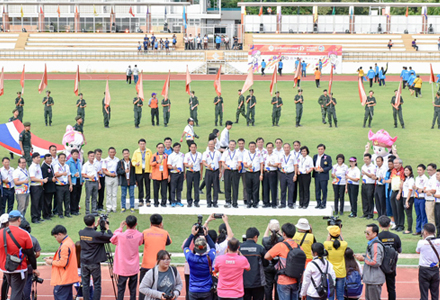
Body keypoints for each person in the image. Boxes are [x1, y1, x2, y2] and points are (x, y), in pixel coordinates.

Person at [0, 211, 38, 300]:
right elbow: (31, 254)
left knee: (17, 290)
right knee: (17, 292)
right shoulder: (25, 234)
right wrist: (34, 268)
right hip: (19, 268)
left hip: (5, 268)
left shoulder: (1, 232)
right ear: (19, 220)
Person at [78, 214, 113, 300]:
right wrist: (107, 228)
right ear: (94, 222)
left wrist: (96, 226)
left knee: (85, 284)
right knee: (97, 284)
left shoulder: (81, 232)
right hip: (94, 263)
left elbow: (90, 234)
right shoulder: (97, 235)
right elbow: (111, 238)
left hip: (84, 262)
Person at [265, 223, 302, 300]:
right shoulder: (299, 247)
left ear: (284, 233)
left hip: (283, 280)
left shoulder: (280, 245)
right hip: (295, 281)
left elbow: (266, 256)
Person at [111, 215, 144, 300]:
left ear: (126, 224)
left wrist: (120, 228)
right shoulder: (139, 235)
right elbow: (140, 243)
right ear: (136, 224)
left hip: (123, 268)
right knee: (133, 290)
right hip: (133, 267)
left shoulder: (120, 235)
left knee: (121, 290)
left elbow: (112, 240)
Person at [140, 214, 172, 300]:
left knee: (143, 290)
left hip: (146, 265)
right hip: (160, 267)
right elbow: (168, 242)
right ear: (161, 223)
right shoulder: (165, 233)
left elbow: (141, 242)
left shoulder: (145, 232)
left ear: (150, 223)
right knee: (160, 291)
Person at [45, 225, 79, 300]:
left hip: (63, 279)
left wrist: (51, 262)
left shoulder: (65, 245)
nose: (56, 239)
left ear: (60, 234)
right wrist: (54, 258)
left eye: (56, 237)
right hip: (68, 277)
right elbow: (66, 258)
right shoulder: (69, 241)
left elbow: (63, 263)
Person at [183, 224, 216, 300]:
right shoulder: (209, 258)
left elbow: (186, 247)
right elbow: (213, 247)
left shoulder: (191, 258)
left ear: (195, 247)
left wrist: (192, 234)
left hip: (193, 291)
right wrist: (207, 235)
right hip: (206, 290)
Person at [355, 224, 385, 300]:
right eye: (365, 232)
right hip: (371, 279)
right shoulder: (372, 244)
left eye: (368, 232)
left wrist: (363, 259)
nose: (366, 234)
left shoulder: (375, 245)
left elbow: (376, 262)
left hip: (374, 279)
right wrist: (364, 257)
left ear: (375, 233)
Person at [377, 216, 401, 300]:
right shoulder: (395, 236)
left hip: (379, 266)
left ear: (379, 225)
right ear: (390, 224)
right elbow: (399, 250)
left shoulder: (377, 237)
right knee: (391, 288)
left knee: (377, 288)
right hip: (391, 266)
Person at [416, 223, 440, 300]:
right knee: (435, 294)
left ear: (425, 232)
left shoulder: (421, 242)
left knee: (424, 294)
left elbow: (418, 251)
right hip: (435, 269)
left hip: (424, 270)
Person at [241, 228, 266, 300]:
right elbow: (266, 263)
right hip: (258, 283)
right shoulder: (260, 248)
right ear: (255, 237)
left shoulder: (239, 248)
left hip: (243, 282)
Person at [19, 219, 41, 300]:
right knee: (27, 286)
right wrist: (30, 259)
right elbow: (38, 253)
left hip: (16, 267)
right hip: (29, 267)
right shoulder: (33, 239)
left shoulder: (15, 238)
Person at [324, 226, 348, 300]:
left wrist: (329, 235)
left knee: (330, 295)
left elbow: (327, 241)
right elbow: (343, 241)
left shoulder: (327, 244)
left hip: (330, 273)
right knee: (340, 295)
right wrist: (340, 231)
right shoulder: (344, 244)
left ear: (330, 234)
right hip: (341, 272)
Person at [262, 220, 283, 300]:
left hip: (268, 266)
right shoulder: (281, 240)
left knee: (268, 287)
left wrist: (268, 227)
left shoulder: (266, 240)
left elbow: (264, 237)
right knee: (278, 285)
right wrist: (279, 230)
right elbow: (283, 237)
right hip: (278, 266)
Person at [132, 138, 152, 208]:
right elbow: (133, 161)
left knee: (148, 186)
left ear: (145, 144)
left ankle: (148, 201)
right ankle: (141, 200)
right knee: (140, 186)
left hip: (147, 171)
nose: (142, 145)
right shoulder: (136, 152)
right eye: (141, 144)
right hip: (139, 171)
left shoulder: (149, 151)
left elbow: (151, 162)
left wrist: (151, 172)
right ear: (138, 144)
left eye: (143, 144)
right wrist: (135, 164)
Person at [243, 141, 264, 209]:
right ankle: (249, 202)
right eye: (251, 146)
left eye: (253, 146)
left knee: (256, 188)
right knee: (248, 188)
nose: (252, 148)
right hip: (248, 172)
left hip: (256, 172)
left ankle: (255, 202)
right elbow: (244, 164)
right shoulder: (246, 154)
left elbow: (261, 164)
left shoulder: (258, 154)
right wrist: (248, 166)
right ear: (249, 147)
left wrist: (261, 174)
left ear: (255, 147)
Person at [221, 140, 241, 208]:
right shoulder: (225, 153)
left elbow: (239, 162)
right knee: (227, 186)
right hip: (227, 171)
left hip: (235, 171)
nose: (232, 146)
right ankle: (228, 201)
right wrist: (225, 166)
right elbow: (223, 162)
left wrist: (238, 165)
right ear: (228, 145)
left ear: (235, 145)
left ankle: (235, 202)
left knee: (235, 187)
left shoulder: (238, 153)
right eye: (231, 144)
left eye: (233, 145)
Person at [202, 140, 222, 208]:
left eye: (212, 144)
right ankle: (208, 202)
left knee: (216, 187)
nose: (210, 146)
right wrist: (208, 165)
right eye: (209, 144)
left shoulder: (218, 153)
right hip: (208, 171)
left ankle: (215, 202)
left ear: (214, 145)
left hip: (215, 171)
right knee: (208, 187)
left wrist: (220, 171)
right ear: (208, 145)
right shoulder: (205, 153)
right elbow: (203, 162)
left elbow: (219, 162)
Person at [29, 153, 47, 224]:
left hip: (40, 186)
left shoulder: (38, 165)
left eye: (39, 157)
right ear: (33, 159)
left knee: (40, 202)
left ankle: (38, 216)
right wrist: (42, 180)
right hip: (35, 186)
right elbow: (32, 178)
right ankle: (34, 218)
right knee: (35, 203)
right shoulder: (32, 167)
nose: (39, 159)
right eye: (37, 158)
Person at [313, 144, 332, 209]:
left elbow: (330, 166)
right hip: (316, 175)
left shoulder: (327, 157)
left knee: (324, 190)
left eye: (321, 149)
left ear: (324, 150)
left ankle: (323, 204)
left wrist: (323, 169)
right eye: (319, 149)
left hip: (323, 176)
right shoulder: (315, 156)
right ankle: (318, 203)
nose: (320, 150)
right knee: (317, 190)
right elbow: (313, 164)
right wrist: (314, 168)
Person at [184, 142, 203, 208]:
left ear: (196, 147)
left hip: (196, 172)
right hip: (189, 172)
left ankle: (196, 201)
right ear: (189, 148)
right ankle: (189, 202)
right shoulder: (187, 155)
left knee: (196, 188)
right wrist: (189, 166)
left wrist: (201, 174)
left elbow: (201, 164)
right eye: (191, 147)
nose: (193, 148)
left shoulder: (199, 154)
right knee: (189, 187)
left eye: (194, 147)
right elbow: (185, 164)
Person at [389, 158, 406, 231]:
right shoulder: (393, 170)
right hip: (393, 190)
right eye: (394, 163)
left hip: (399, 191)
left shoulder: (402, 171)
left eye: (396, 163)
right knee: (394, 208)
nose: (395, 165)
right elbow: (391, 179)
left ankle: (401, 225)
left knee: (399, 209)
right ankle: (396, 223)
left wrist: (399, 193)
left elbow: (402, 182)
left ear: (400, 164)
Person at [279, 143, 297, 209]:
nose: (286, 149)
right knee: (283, 189)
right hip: (283, 174)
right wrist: (279, 166)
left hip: (290, 174)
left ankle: (290, 203)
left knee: (291, 189)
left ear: (290, 148)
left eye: (287, 147)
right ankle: (283, 203)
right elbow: (279, 163)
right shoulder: (281, 155)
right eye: (285, 147)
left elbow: (295, 165)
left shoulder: (293, 156)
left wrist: (295, 175)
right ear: (283, 148)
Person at [150, 143, 169, 207]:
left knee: (164, 191)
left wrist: (169, 175)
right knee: (156, 190)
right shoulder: (154, 156)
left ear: (164, 148)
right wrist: (157, 162)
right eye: (159, 147)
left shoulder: (166, 155)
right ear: (157, 148)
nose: (160, 149)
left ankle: (163, 203)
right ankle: (156, 202)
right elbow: (151, 164)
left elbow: (168, 165)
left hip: (164, 175)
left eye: (162, 147)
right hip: (156, 175)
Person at [53, 153, 72, 218]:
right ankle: (60, 213)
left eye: (64, 158)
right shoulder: (56, 166)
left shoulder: (67, 166)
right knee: (59, 200)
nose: (63, 159)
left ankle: (67, 213)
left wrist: (71, 184)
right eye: (61, 158)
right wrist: (62, 173)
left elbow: (69, 175)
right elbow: (56, 175)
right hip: (59, 185)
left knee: (67, 199)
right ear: (58, 159)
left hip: (66, 185)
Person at [167, 142, 185, 207]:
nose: (177, 149)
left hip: (181, 173)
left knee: (179, 188)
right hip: (174, 174)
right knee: (173, 188)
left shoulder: (182, 155)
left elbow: (184, 164)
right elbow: (168, 166)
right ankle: (173, 201)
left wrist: (184, 173)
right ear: (173, 148)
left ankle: (179, 201)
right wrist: (172, 167)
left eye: (178, 147)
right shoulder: (171, 156)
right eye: (176, 147)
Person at [102, 147, 119, 213]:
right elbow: (104, 170)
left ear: (115, 153)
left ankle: (114, 207)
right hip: (108, 178)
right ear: (108, 152)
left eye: (113, 152)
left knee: (114, 193)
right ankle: (109, 207)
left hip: (115, 178)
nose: (112, 153)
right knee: (109, 193)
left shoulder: (117, 160)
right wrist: (110, 174)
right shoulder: (105, 160)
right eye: (111, 152)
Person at [262, 142, 279, 208]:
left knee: (273, 188)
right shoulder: (264, 155)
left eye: (270, 147)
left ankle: (274, 203)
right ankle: (266, 203)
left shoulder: (275, 155)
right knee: (265, 188)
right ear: (266, 148)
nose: (269, 149)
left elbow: (277, 164)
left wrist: (271, 165)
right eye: (268, 147)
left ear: (272, 148)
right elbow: (262, 164)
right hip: (266, 173)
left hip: (273, 173)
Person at [360, 153, 377, 219]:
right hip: (364, 183)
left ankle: (370, 213)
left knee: (370, 198)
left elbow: (372, 176)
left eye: (367, 159)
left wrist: (366, 173)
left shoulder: (372, 167)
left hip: (370, 184)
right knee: (364, 198)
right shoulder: (363, 166)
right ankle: (365, 212)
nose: (366, 160)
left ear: (370, 159)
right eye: (365, 159)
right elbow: (362, 175)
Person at [66, 149, 82, 216]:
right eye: (74, 154)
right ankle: (72, 210)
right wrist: (73, 174)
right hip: (73, 181)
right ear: (71, 155)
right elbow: (67, 172)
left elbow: (81, 171)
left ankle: (76, 209)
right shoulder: (68, 162)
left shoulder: (79, 161)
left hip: (79, 180)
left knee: (78, 195)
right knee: (73, 196)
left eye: (77, 154)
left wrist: (82, 180)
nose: (76, 155)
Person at [414, 164, 428, 236]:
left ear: (424, 171)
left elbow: (423, 189)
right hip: (416, 198)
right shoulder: (416, 178)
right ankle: (418, 230)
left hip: (422, 198)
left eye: (420, 170)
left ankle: (424, 231)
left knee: (423, 215)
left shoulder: (425, 179)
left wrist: (417, 188)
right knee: (418, 215)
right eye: (418, 170)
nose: (418, 171)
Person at [401, 166, 415, 234]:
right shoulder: (406, 179)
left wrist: (407, 200)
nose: (406, 172)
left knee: (409, 214)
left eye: (407, 170)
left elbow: (410, 190)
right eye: (405, 170)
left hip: (409, 198)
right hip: (405, 197)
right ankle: (408, 228)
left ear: (410, 171)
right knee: (407, 213)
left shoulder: (411, 180)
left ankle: (409, 229)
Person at [237, 138, 248, 204]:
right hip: (237, 171)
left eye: (242, 143)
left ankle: (246, 199)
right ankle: (235, 199)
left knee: (245, 186)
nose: (241, 145)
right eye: (240, 143)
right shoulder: (235, 151)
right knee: (236, 185)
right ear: (238, 144)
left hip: (245, 171)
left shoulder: (247, 152)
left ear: (244, 144)